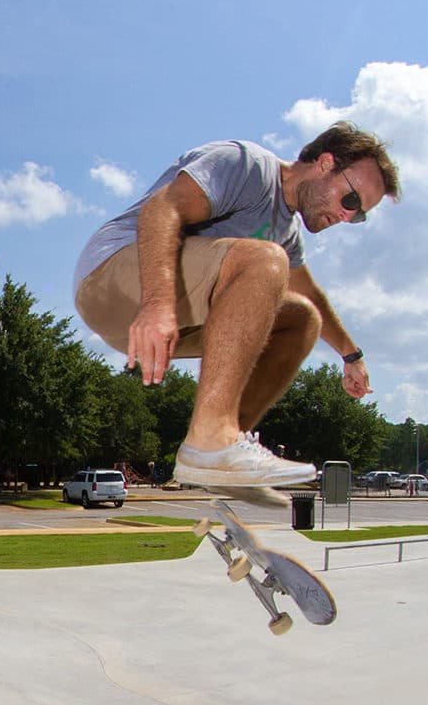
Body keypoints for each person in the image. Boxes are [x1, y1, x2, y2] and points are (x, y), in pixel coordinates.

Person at [73, 122, 399, 506]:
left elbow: (312, 296)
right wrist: (157, 304)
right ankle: (210, 439)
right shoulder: (247, 165)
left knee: (300, 318)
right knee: (266, 260)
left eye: (359, 216)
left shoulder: (287, 231)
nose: (348, 218)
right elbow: (162, 209)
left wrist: (352, 356)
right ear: (325, 163)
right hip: (114, 275)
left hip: (174, 314)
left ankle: (221, 457)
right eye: (350, 201)